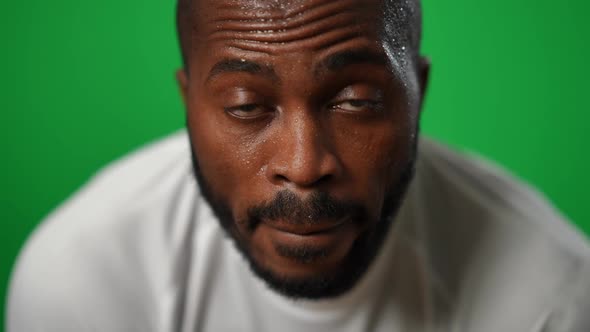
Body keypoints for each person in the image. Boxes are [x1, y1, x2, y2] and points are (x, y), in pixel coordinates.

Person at [6, 0, 590, 331]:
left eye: (357, 101)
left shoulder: (551, 298)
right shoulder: (85, 281)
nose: (304, 165)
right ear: (189, 105)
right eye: (246, 106)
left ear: (419, 94)